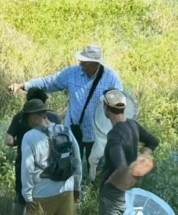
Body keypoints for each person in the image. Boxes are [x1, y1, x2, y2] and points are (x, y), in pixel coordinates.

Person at [10, 45, 123, 173]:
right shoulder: (72, 73)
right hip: (73, 130)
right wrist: (24, 85)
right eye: (81, 61)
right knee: (70, 167)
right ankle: (74, 190)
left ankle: (93, 188)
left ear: (95, 63)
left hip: (97, 134)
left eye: (84, 62)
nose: (80, 64)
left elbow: (119, 104)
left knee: (96, 168)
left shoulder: (111, 78)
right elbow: (49, 82)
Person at [19, 99, 82, 215]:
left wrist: (27, 195)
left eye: (27, 117)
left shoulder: (29, 137)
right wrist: (76, 187)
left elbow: (27, 169)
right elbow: (77, 160)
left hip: (43, 192)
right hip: (66, 187)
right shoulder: (65, 130)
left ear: (34, 116)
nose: (26, 121)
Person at [99, 89, 159, 215]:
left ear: (106, 107)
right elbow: (153, 141)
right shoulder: (132, 124)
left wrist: (108, 184)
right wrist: (143, 157)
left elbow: (121, 168)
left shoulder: (114, 135)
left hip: (114, 192)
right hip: (130, 191)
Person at [5, 88, 61, 206]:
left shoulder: (20, 117)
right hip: (51, 166)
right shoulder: (53, 118)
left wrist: (18, 142)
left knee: (24, 201)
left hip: (23, 165)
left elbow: (8, 140)